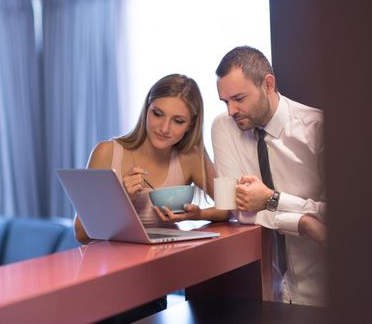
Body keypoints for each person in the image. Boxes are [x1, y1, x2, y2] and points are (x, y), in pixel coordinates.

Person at [74, 73, 229, 323]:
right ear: (147, 108)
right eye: (158, 114)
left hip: (150, 286)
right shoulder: (107, 152)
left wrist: (197, 214)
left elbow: (227, 207)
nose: (164, 128)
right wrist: (119, 195)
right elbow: (81, 232)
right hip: (101, 283)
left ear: (191, 124)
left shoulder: (191, 157)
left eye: (178, 121)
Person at [211, 46, 327, 306]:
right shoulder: (224, 128)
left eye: (239, 98)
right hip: (267, 293)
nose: (231, 111)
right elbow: (235, 208)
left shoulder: (317, 129)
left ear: (268, 84)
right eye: (225, 101)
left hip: (323, 292)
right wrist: (302, 222)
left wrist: (272, 199)